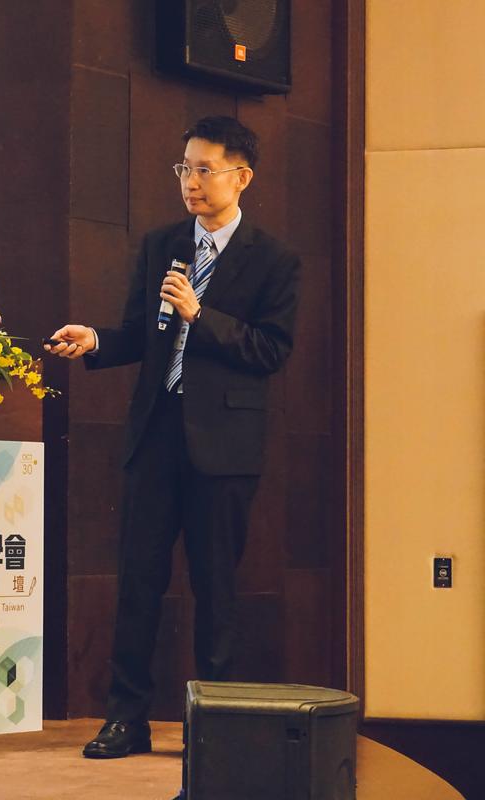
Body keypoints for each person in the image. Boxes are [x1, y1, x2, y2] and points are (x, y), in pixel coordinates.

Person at [45, 116, 300, 758]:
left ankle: (212, 728)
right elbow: (142, 330)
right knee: (138, 582)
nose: (191, 182)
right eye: (184, 168)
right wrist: (98, 340)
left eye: (204, 169)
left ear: (242, 177)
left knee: (217, 589)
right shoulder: (163, 244)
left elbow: (271, 350)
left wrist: (200, 315)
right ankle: (125, 718)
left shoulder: (274, 260)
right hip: (156, 434)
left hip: (224, 448)